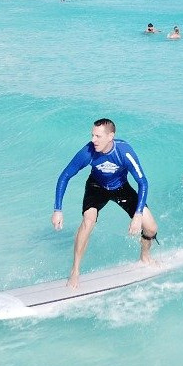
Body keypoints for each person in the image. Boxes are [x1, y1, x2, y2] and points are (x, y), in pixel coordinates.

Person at [52, 118, 158, 288]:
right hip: (96, 186)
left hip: (121, 187)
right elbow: (65, 175)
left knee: (151, 228)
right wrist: (58, 209)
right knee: (88, 221)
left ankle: (145, 256)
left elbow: (142, 182)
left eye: (98, 136)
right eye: (92, 135)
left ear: (111, 136)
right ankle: (75, 270)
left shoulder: (124, 152)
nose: (93, 140)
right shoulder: (88, 151)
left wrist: (138, 215)